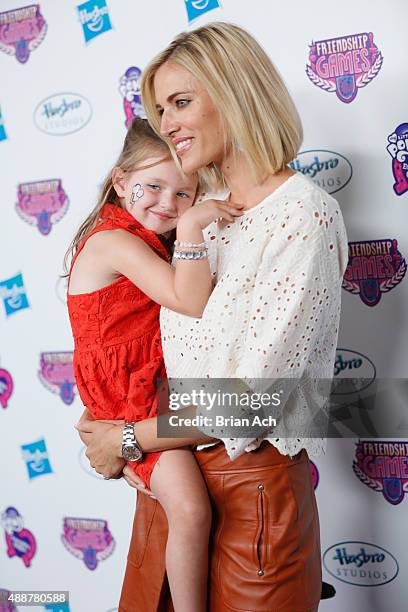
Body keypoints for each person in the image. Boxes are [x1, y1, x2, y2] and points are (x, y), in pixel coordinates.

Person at [77, 22, 349, 612]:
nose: (166, 124)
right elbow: (149, 347)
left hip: (253, 500)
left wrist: (126, 438)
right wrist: (112, 417)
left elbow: (256, 404)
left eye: (180, 102)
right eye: (158, 108)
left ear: (234, 92)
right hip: (173, 496)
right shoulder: (192, 219)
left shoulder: (303, 215)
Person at [66, 117, 244, 612]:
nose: (167, 203)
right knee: (189, 508)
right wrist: (192, 224)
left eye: (184, 195)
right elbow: (188, 299)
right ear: (121, 182)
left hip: (146, 386)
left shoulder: (143, 237)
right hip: (128, 398)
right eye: (153, 186)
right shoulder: (112, 241)